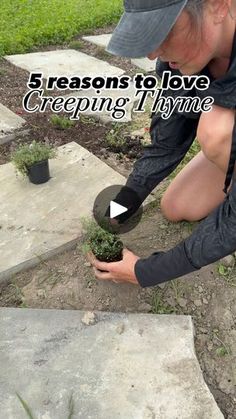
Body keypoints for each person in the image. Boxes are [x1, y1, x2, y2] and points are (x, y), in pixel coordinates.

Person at [88, 0, 236, 287]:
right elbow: (167, 143)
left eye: (164, 30)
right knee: (176, 206)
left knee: (216, 130)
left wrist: (145, 271)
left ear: (219, 6)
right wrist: (125, 201)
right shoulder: (177, 64)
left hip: (223, 131)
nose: (154, 52)